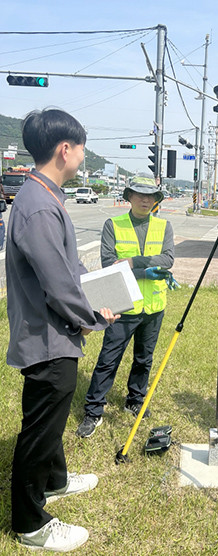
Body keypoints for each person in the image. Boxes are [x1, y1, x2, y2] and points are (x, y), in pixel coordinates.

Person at [6, 108, 118, 552]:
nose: (83, 158)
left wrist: (99, 287)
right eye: (82, 149)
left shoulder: (46, 196)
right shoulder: (37, 206)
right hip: (47, 339)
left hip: (56, 334)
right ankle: (30, 524)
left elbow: (70, 268)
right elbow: (57, 284)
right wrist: (89, 319)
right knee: (39, 432)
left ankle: (55, 480)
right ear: (65, 149)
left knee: (50, 424)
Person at [76, 174, 175, 438]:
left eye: (150, 196)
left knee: (144, 358)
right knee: (109, 359)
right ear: (129, 196)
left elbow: (167, 259)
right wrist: (141, 269)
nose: (145, 200)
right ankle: (94, 410)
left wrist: (131, 262)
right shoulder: (114, 224)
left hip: (154, 306)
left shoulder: (164, 226)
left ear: (156, 200)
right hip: (122, 305)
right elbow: (110, 263)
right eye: (139, 194)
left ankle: (135, 400)